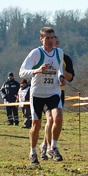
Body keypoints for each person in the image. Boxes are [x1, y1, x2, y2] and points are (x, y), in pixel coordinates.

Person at [19, 27, 66, 166]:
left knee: (58, 117)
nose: (50, 41)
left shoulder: (59, 52)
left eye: (52, 38)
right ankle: (32, 152)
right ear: (41, 39)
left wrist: (61, 77)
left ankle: (53, 147)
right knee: (36, 125)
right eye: (47, 38)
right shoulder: (36, 53)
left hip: (53, 91)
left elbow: (59, 70)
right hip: (38, 93)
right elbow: (22, 72)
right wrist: (37, 70)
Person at [40, 35, 75, 160]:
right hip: (44, 92)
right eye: (51, 42)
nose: (54, 45)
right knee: (50, 119)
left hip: (59, 93)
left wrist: (62, 71)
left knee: (56, 120)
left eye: (57, 43)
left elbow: (70, 77)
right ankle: (50, 148)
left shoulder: (65, 58)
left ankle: (45, 145)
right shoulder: (41, 55)